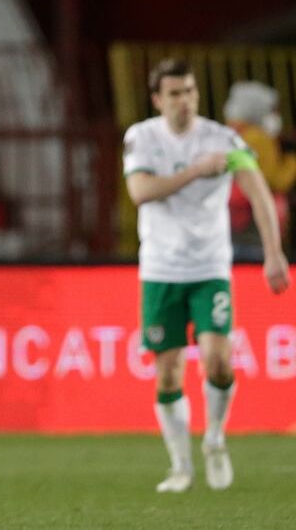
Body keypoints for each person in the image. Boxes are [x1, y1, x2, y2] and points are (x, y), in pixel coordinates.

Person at [123, 58, 291, 493]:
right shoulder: (141, 138)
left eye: (191, 92)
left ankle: (215, 437)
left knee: (217, 360)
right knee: (168, 373)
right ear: (158, 99)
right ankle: (180, 465)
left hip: (209, 267)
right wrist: (197, 170)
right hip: (160, 269)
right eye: (175, 93)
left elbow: (258, 190)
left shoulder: (225, 140)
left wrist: (274, 254)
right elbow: (141, 191)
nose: (185, 101)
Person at [224, 81, 296, 260]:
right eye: (272, 109)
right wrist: (292, 162)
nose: (276, 115)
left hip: (231, 220)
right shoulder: (257, 137)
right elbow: (272, 180)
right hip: (252, 224)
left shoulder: (230, 134)